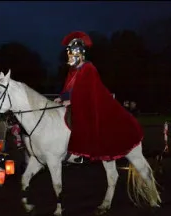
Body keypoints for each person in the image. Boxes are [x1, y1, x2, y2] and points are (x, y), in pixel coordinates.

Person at [54, 31, 143, 161]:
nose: (70, 57)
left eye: (72, 53)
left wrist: (72, 101)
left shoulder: (88, 68)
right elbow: (68, 88)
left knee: (80, 118)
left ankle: (81, 151)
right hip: (74, 103)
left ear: (80, 53)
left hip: (86, 104)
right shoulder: (72, 71)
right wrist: (61, 97)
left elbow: (87, 92)